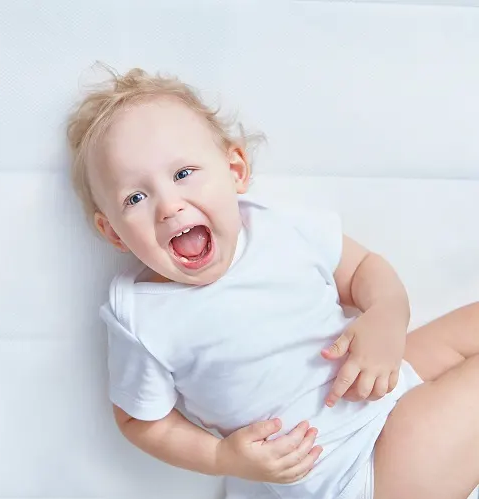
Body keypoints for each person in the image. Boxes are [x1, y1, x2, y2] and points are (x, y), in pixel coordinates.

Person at [65, 65, 479, 499]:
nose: (168, 206)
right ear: (112, 232)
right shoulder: (141, 316)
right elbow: (141, 421)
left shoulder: (278, 228)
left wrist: (386, 318)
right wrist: (222, 457)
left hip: (378, 385)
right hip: (356, 473)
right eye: (135, 197)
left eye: (183, 173)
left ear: (235, 170)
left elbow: (362, 271)